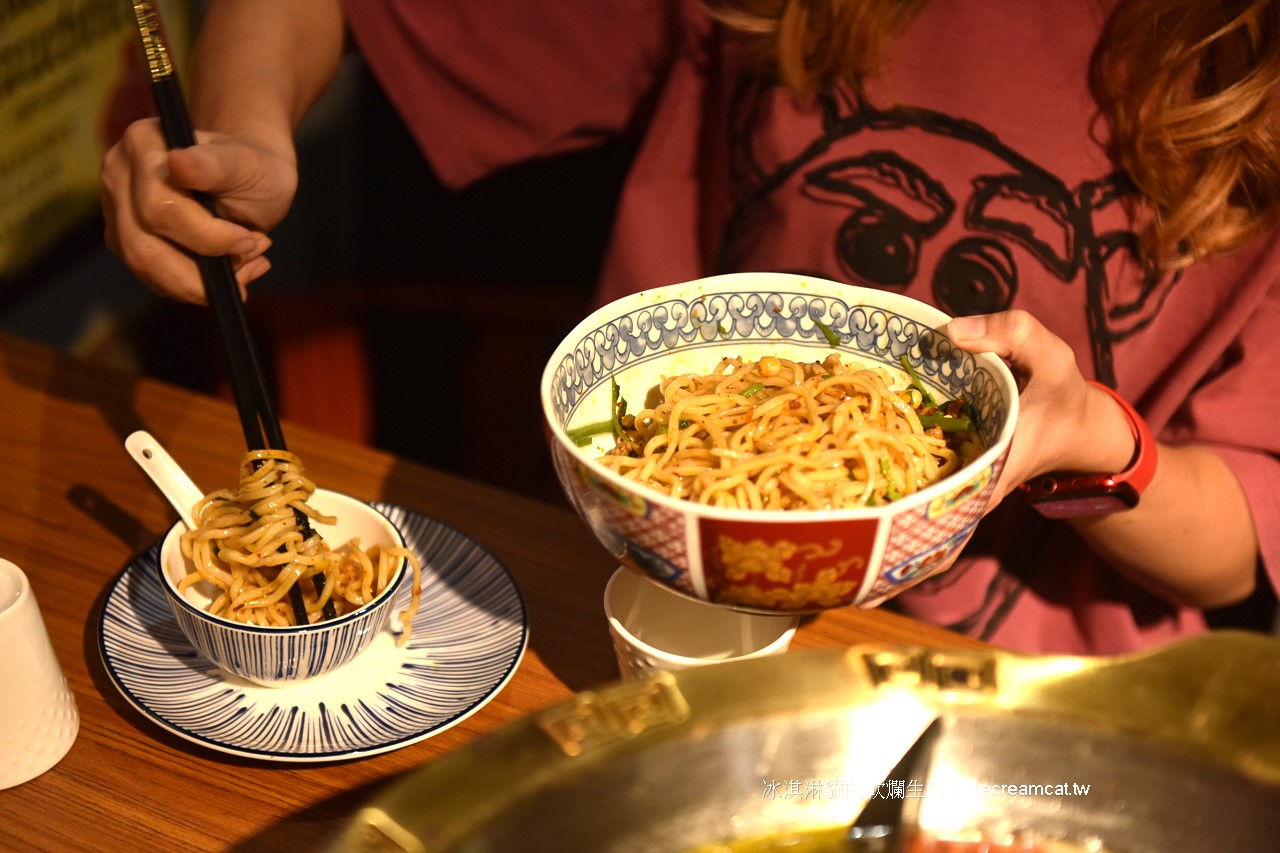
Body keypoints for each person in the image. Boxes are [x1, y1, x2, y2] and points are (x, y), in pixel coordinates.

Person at [99, 0, 1280, 656]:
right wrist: (245, 130)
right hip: (629, 603)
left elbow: (1241, 538)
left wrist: (1095, 440)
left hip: (1009, 695)